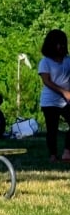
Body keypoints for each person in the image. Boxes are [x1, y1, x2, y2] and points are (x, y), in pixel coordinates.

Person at [41, 29, 70, 163]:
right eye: (59, 43)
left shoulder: (68, 61)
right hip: (50, 102)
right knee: (52, 130)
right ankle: (53, 155)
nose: (62, 46)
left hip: (67, 101)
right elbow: (47, 81)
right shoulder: (45, 62)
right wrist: (63, 92)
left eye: (63, 43)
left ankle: (67, 151)